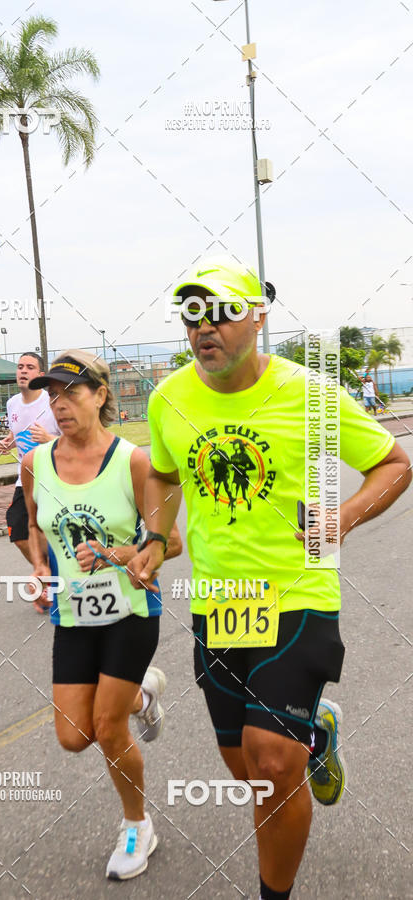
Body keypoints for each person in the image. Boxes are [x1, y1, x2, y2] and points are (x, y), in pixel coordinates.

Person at [129, 256, 411, 900]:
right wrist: (152, 536)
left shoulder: (308, 395)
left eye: (224, 311)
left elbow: (393, 464)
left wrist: (341, 518)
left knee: (273, 761)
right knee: (246, 769)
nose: (207, 327)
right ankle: (318, 731)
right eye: (194, 313)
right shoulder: (169, 398)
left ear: (257, 316)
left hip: (298, 596)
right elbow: (166, 476)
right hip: (219, 605)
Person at [20, 350, 182, 881]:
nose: (59, 405)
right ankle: (143, 693)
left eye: (72, 393)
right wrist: (40, 568)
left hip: (131, 609)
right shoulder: (35, 463)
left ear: (101, 395)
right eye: (52, 395)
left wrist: (119, 555)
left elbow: (171, 540)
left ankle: (138, 825)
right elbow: (35, 527)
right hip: (73, 612)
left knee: (109, 728)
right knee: (73, 735)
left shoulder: (132, 462)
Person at [0, 353, 60, 562]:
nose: (23, 371)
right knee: (17, 530)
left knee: (53, 532)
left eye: (30, 367)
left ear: (41, 375)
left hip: (55, 478)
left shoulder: (53, 404)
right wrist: (8, 443)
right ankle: (48, 571)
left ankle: (57, 575)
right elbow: (17, 433)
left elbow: (74, 442)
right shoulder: (12, 403)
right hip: (25, 478)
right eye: (20, 366)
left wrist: (49, 438)